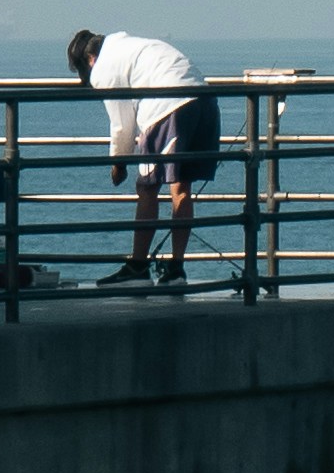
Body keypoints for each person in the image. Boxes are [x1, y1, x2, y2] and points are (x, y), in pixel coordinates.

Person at [66, 24, 222, 285]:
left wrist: (119, 162)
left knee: (147, 187)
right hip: (204, 100)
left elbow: (121, 124)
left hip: (167, 106)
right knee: (181, 187)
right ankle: (176, 269)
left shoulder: (104, 68)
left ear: (89, 60)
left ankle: (138, 267)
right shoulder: (133, 45)